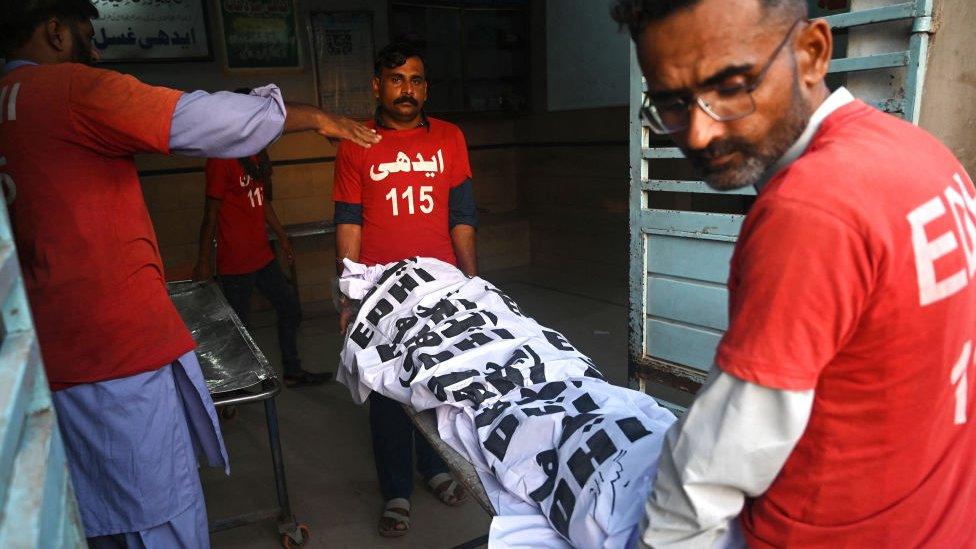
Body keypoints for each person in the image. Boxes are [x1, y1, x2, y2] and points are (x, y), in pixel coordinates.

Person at [0, 0, 379, 546]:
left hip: (50, 357)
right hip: (116, 357)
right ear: (56, 33)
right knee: (158, 513)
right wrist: (312, 115)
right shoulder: (67, 89)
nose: (96, 48)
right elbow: (204, 118)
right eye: (88, 33)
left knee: (97, 514)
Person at [613, 0, 976, 547]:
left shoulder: (811, 206)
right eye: (670, 104)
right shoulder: (920, 153)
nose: (700, 133)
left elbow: (711, 471)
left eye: (732, 87)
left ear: (812, 52)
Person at [332, 40, 478, 537]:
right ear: (377, 86)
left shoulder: (450, 138)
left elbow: (462, 216)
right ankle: (396, 487)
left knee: (437, 384)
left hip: (440, 285)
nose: (407, 89)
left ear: (425, 87)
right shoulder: (356, 141)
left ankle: (435, 467)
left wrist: (474, 282)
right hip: (380, 290)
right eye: (396, 79)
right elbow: (349, 219)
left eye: (415, 80)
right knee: (388, 387)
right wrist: (349, 293)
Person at [193, 90, 331, 388]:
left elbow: (262, 203)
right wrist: (203, 261)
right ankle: (236, 386)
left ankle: (292, 371)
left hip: (262, 255)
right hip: (235, 262)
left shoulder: (255, 152)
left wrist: (282, 237)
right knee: (238, 329)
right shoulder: (220, 158)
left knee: (290, 307)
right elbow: (211, 213)